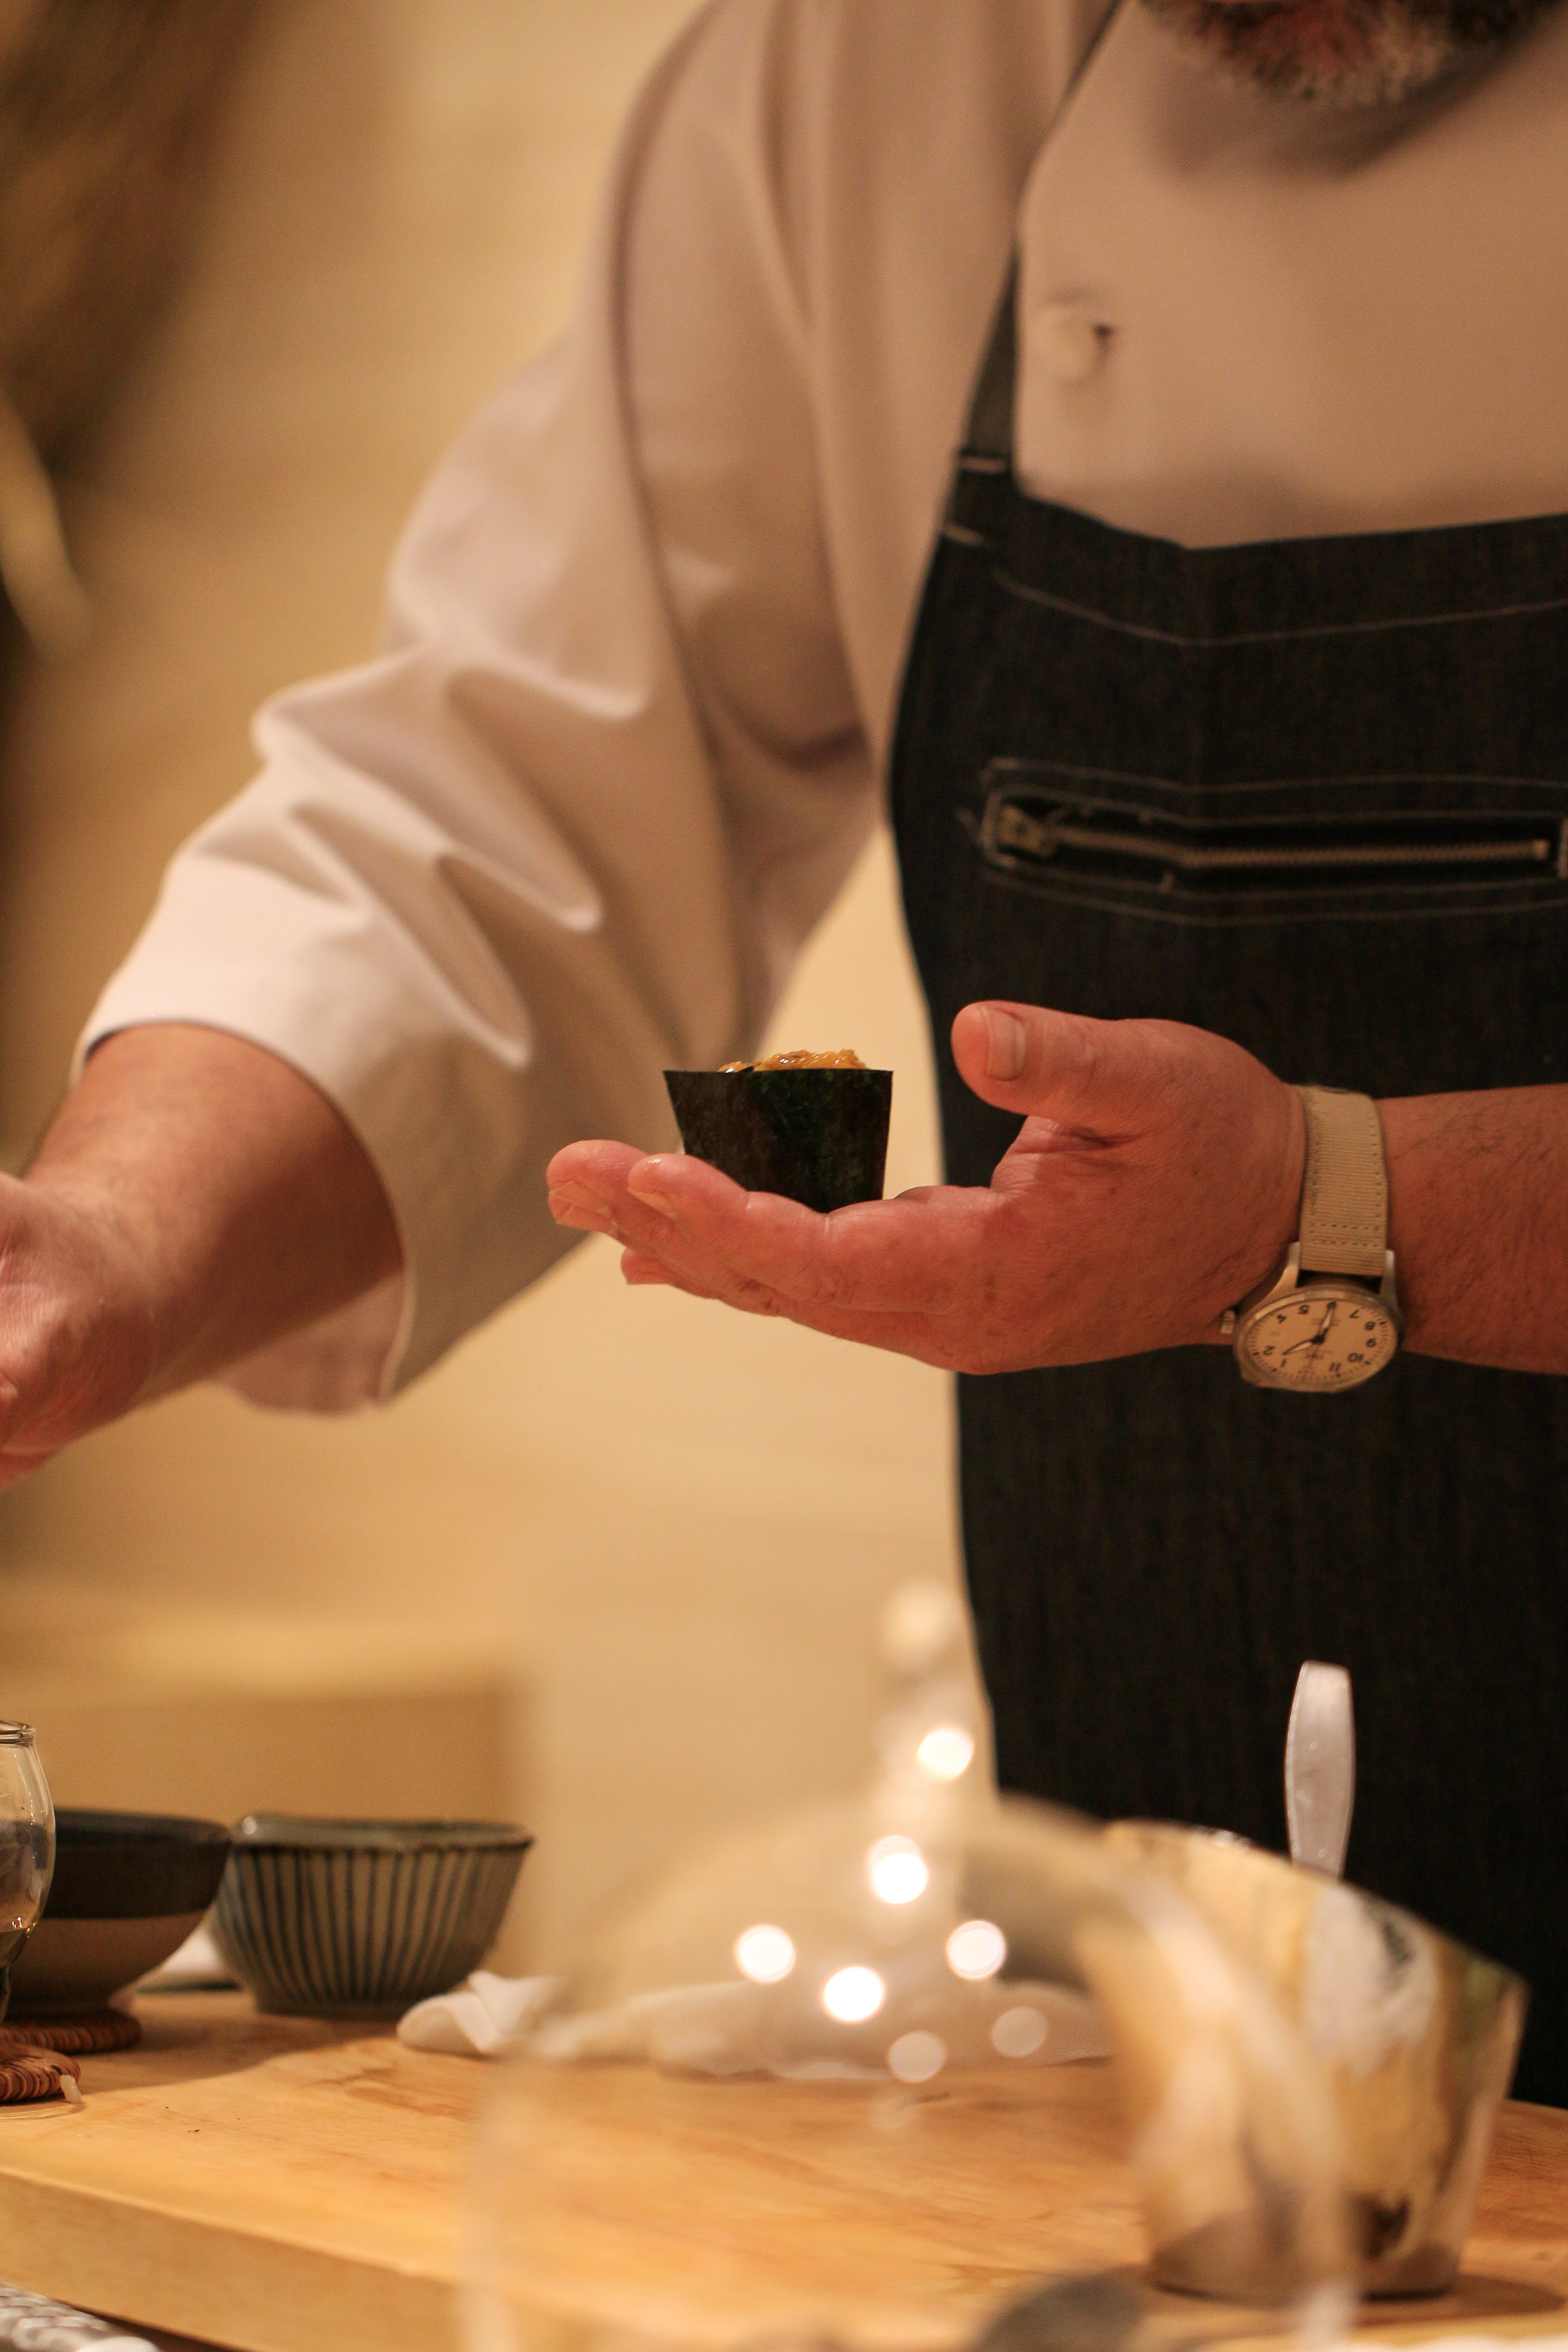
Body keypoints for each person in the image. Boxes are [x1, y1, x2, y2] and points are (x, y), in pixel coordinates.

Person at [5, 0, 1567, 2100]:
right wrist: (94, 1257)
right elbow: (506, 816)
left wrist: (1330, 1210)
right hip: (1166, 2061)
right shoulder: (883, 65)